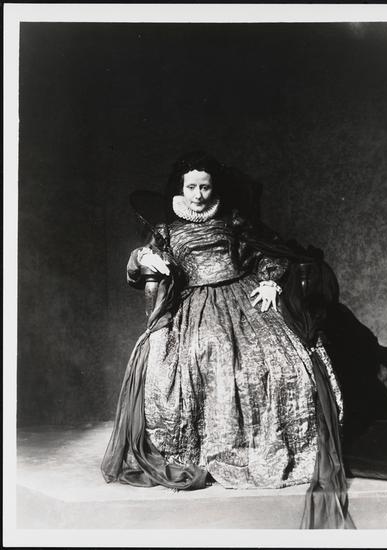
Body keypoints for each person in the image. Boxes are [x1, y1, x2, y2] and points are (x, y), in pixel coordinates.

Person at [101, 151, 354, 529]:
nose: (198, 195)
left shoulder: (232, 221)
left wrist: (270, 281)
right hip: (194, 302)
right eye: (191, 187)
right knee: (207, 352)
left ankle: (268, 449)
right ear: (180, 188)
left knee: (276, 357)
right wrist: (143, 259)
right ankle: (207, 448)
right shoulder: (166, 229)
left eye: (204, 187)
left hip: (243, 295)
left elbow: (265, 253)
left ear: (213, 188)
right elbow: (144, 259)